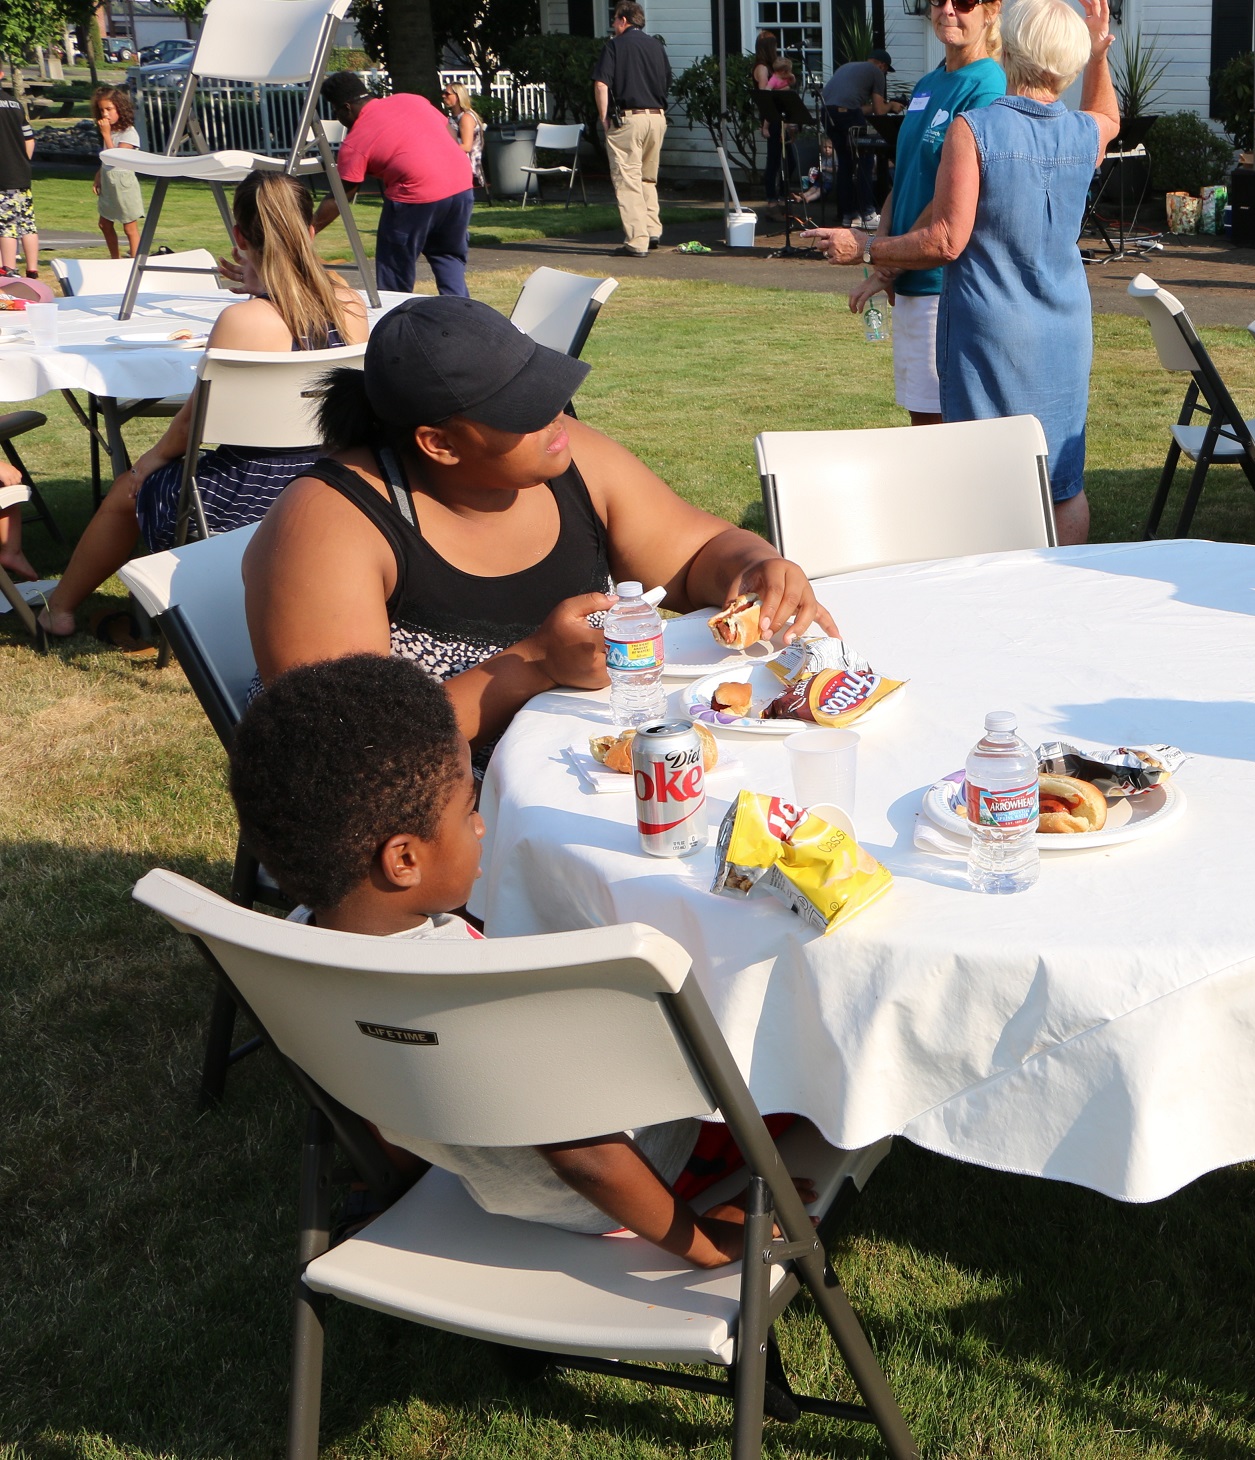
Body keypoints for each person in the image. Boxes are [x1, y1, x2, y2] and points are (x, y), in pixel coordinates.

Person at [229, 652, 814, 1262]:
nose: (480, 828)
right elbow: (589, 1161)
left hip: (487, 1176)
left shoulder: (295, 948)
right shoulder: (469, 990)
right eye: (468, 812)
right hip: (631, 1184)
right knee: (792, 1066)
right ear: (404, 861)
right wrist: (704, 1242)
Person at [243, 294, 834, 758]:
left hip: (591, 758)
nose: (555, 417)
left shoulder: (568, 459)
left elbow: (697, 552)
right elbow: (348, 745)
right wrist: (535, 665)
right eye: (521, 410)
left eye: (545, 388)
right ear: (440, 444)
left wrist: (756, 568)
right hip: (444, 818)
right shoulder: (332, 526)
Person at [801, 0, 1118, 547]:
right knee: (1063, 482)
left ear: (1012, 46)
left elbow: (946, 239)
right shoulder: (1081, 133)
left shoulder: (975, 128)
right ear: (1066, 62)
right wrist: (1098, 56)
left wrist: (870, 250)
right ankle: (1066, 592)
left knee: (985, 478)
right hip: (1064, 332)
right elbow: (1109, 117)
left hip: (991, 334)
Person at [38, 172, 370, 641]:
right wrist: (262, 280)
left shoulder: (242, 321)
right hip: (334, 483)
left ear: (239, 237)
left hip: (245, 498)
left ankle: (61, 611)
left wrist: (146, 465)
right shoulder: (350, 305)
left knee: (130, 489)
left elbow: (193, 423)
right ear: (310, 229)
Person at [840, 0, 1005, 426]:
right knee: (921, 415)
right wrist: (886, 255)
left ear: (991, 11)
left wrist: (886, 259)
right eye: (939, 0)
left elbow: (954, 192)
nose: (948, 10)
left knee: (940, 426)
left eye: (965, 2)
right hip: (911, 274)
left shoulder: (988, 84)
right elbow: (908, 174)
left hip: (943, 281)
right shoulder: (929, 83)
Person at [312, 72, 475, 297]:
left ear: (346, 108)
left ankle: (394, 319)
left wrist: (310, 229)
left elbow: (340, 196)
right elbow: (450, 135)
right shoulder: (411, 99)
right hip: (461, 184)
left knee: (394, 269)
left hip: (415, 195)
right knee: (447, 256)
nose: (338, 117)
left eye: (336, 111)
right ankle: (462, 317)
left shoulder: (356, 140)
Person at [594, 0, 672, 258]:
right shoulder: (656, 46)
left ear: (624, 20)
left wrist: (604, 117)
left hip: (629, 119)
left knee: (627, 179)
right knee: (648, 178)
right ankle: (652, 230)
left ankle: (637, 240)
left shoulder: (615, 46)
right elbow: (667, 80)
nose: (613, 25)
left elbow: (602, 84)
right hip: (657, 117)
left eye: (615, 19)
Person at [822, 48, 897, 230]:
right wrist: (892, 106)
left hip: (827, 114)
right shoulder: (876, 73)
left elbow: (852, 108)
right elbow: (880, 111)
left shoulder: (848, 67)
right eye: (886, 70)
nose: (885, 73)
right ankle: (868, 213)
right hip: (847, 115)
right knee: (865, 160)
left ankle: (848, 215)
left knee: (846, 165)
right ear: (882, 65)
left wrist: (873, 107)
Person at [92, 86, 146, 260]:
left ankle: (135, 261)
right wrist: (99, 176)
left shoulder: (129, 133)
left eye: (109, 109)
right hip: (109, 182)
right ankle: (115, 258)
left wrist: (106, 135)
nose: (105, 114)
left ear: (119, 109)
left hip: (123, 184)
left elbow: (116, 157)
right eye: (102, 110)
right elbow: (106, 159)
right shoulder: (111, 131)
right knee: (104, 224)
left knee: (129, 227)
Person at [0, 85, 37, 280]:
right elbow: (29, 139)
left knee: (6, 225)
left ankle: (8, 270)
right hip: (21, 173)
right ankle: (32, 270)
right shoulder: (15, 104)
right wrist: (23, 161)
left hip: (3, 176)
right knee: (27, 224)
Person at [753, 31, 787, 201]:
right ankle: (773, 200)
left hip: (778, 117)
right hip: (771, 117)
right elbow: (765, 96)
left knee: (788, 160)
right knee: (773, 161)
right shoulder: (762, 68)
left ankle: (782, 195)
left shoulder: (770, 67)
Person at [442, 81, 486, 195]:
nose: (443, 96)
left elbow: (466, 147)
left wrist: (441, 152)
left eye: (447, 94)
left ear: (458, 96)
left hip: (467, 167)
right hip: (454, 163)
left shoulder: (466, 118)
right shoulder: (453, 118)